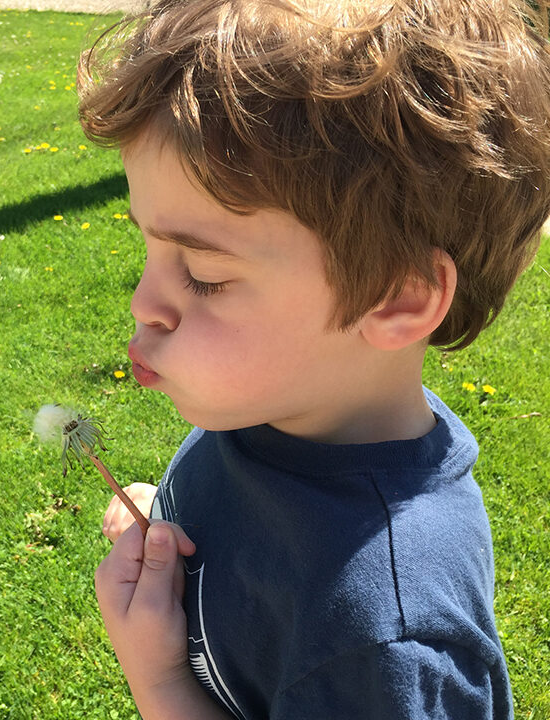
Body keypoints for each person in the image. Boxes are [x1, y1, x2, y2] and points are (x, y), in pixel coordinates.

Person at [77, 0, 550, 717]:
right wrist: (169, 516)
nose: (145, 302)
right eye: (147, 246)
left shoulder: (383, 641)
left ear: (395, 299)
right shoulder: (289, 406)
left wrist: (160, 680)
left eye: (205, 274)